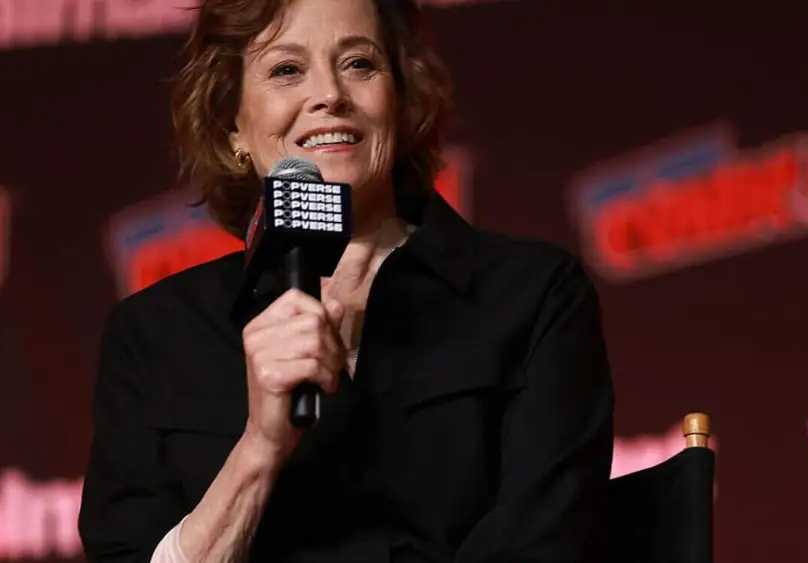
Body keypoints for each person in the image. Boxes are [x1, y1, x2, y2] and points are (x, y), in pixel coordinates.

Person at [77, 0, 615, 561]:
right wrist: (261, 447)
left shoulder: (533, 297)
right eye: (287, 69)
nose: (330, 94)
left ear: (402, 102)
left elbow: (545, 543)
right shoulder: (154, 337)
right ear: (231, 123)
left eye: (359, 63)